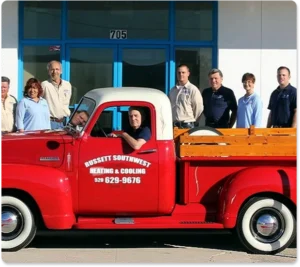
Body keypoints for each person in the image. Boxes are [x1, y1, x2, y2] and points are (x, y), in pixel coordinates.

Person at [169, 64, 203, 129]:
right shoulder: (172, 90)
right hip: (174, 125)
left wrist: (192, 121)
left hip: (187, 125)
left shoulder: (193, 89)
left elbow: (198, 108)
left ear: (188, 74)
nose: (181, 74)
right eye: (179, 73)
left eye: (183, 72)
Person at [41, 60, 72, 130]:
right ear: (49, 71)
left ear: (61, 71)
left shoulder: (67, 85)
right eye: (52, 69)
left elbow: (67, 103)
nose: (55, 72)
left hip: (65, 123)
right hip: (50, 123)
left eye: (57, 69)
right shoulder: (44, 85)